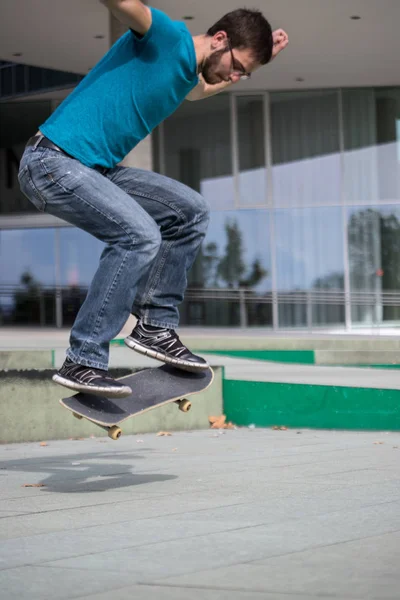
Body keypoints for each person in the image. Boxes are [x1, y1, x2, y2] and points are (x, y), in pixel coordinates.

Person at [18, 1, 288, 398]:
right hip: (51, 161)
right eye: (237, 67)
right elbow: (126, 6)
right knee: (140, 235)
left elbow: (200, 92)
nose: (235, 76)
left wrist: (257, 59)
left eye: (243, 75)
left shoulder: (186, 76)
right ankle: (84, 358)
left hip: (92, 169)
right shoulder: (166, 35)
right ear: (219, 39)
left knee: (190, 211)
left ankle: (155, 326)